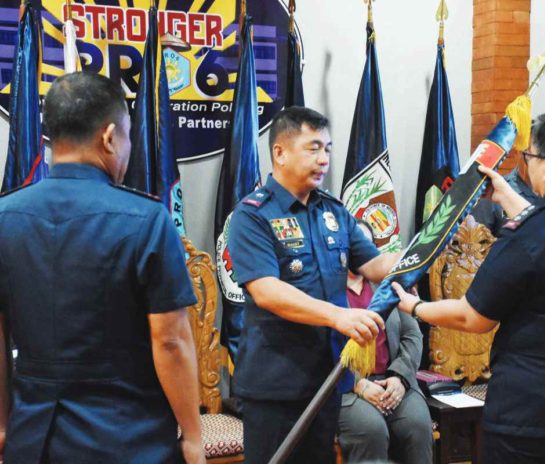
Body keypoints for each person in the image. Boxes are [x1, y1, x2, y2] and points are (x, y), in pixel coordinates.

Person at [393, 106, 545, 464]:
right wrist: (504, 194)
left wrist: (415, 307)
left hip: (536, 411)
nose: (526, 164)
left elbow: (474, 317)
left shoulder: (525, 237)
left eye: (529, 156)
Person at [0, 72, 204, 464]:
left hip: (34, 438)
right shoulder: (146, 219)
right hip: (128, 438)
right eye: (128, 136)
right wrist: (193, 436)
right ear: (109, 137)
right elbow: (171, 340)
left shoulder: (5, 217)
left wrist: (4, 426)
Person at [227, 106, 399, 464]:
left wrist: (426, 247)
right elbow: (266, 290)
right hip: (275, 383)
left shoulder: (333, 212)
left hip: (326, 379)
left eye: (328, 149)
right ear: (280, 152)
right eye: (313, 147)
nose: (324, 159)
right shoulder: (252, 215)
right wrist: (337, 316)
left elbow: (377, 266)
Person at [338, 220, 432, 464]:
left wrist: (400, 378)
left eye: (367, 246)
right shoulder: (328, 289)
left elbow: (412, 336)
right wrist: (359, 385)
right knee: (371, 429)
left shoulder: (390, 285)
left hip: (392, 379)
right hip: (347, 387)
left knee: (418, 425)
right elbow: (319, 348)